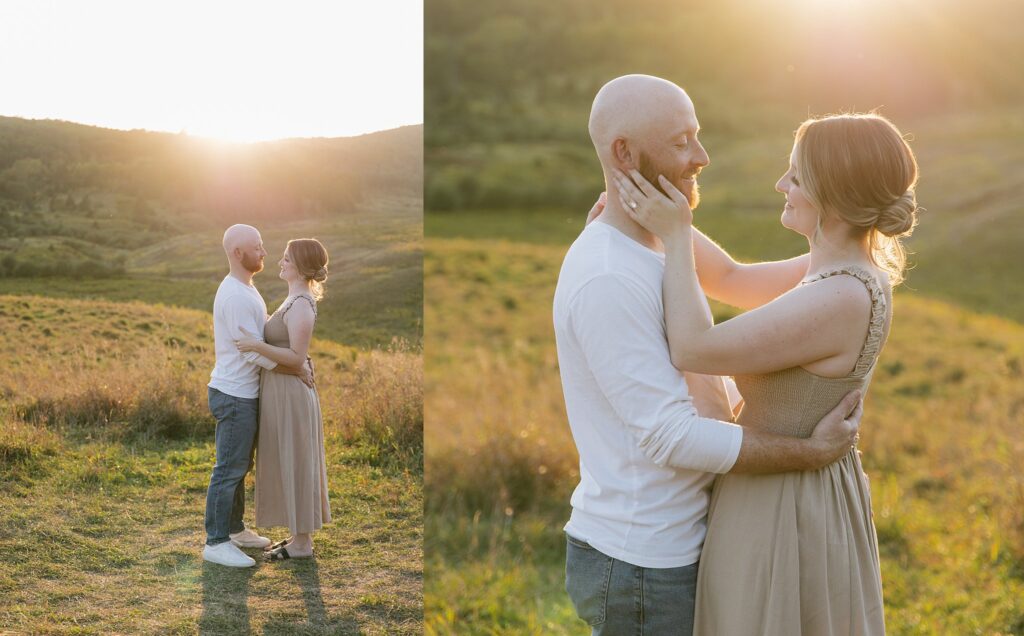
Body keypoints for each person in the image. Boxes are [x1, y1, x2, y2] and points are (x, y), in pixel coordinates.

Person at [554, 74, 864, 636]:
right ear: (624, 152)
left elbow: (739, 279)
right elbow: (671, 437)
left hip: (681, 540)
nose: (702, 156)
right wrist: (807, 452)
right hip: (644, 560)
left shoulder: (664, 239)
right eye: (680, 142)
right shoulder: (607, 277)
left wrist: (860, 253)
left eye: (697, 136)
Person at [616, 106, 918, 633]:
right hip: (791, 488)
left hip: (783, 505)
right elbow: (731, 277)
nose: (782, 184)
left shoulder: (841, 295)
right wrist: (658, 217)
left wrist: (679, 236)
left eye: (796, 176)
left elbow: (694, 347)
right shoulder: (838, 270)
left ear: (837, 197)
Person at [203, 224, 314, 568]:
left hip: (245, 392)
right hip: (235, 393)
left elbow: (261, 334)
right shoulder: (236, 295)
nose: (264, 252)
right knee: (229, 468)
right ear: (238, 253)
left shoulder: (246, 288)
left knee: (240, 465)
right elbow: (251, 352)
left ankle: (234, 530)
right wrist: (295, 368)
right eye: (257, 247)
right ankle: (216, 542)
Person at [236, 238, 332, 561]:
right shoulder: (293, 298)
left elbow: (295, 357)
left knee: (298, 461)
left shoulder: (303, 303)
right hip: (281, 392)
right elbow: (296, 357)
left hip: (292, 396)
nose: (280, 262)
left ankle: (303, 544)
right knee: (288, 460)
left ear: (302, 266)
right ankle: (296, 537)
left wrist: (255, 345)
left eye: (287, 259)